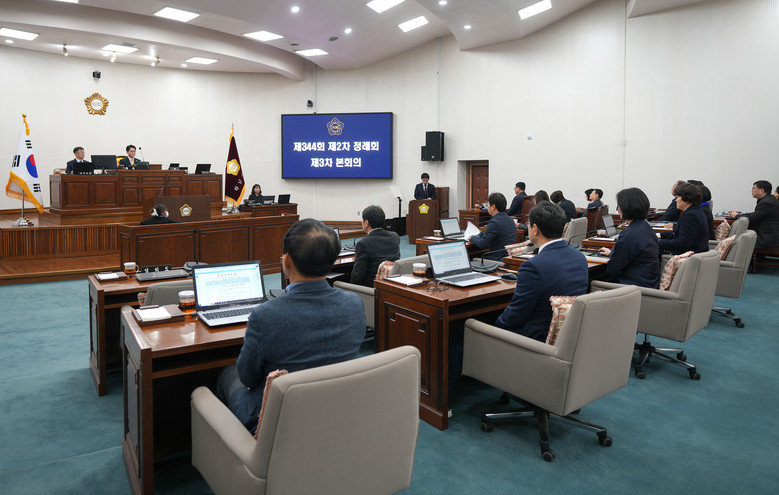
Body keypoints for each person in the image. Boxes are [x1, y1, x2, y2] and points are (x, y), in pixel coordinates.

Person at [217, 219, 366, 432]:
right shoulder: (354, 304)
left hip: (278, 421)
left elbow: (247, 378)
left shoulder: (265, 315)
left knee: (228, 375)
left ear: (286, 261)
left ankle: (233, 443)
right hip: (336, 409)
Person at [494, 201, 589, 341]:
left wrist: (492, 327)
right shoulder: (580, 258)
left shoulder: (533, 267)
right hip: (569, 338)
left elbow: (515, 316)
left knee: (466, 327)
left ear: (535, 229)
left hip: (533, 342)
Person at [598, 188, 660, 288]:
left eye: (619, 205)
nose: (617, 209)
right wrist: (612, 253)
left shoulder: (630, 234)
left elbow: (614, 268)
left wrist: (602, 284)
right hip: (648, 283)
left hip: (633, 288)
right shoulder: (645, 227)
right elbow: (634, 255)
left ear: (627, 207)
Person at [350, 205, 401, 286]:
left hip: (370, 288)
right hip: (392, 285)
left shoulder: (363, 244)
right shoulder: (395, 236)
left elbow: (357, 278)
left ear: (366, 223)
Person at [658, 182, 709, 255]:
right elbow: (677, 232)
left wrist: (656, 242)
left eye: (678, 197)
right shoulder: (695, 211)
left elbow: (682, 243)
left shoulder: (691, 216)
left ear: (687, 199)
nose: (676, 200)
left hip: (685, 257)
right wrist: (658, 235)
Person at [729, 180, 779, 248]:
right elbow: (756, 214)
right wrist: (739, 214)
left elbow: (752, 218)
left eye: (753, 188)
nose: (752, 191)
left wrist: (736, 215)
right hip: (768, 236)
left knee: (739, 241)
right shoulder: (768, 200)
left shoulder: (767, 203)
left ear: (761, 190)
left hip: (767, 239)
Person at [468, 192, 516, 260]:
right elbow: (497, 235)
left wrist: (472, 237)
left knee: (472, 259)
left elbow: (483, 244)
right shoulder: (510, 220)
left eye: (488, 205)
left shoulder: (494, 222)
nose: (487, 207)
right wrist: (481, 233)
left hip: (497, 259)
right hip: (507, 258)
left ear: (493, 206)